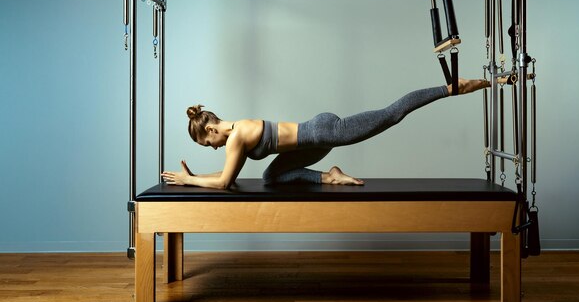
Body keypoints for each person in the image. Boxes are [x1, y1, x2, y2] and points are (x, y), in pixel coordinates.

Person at [161, 78, 490, 189]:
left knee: (392, 114)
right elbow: (228, 175)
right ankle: (329, 176)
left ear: (211, 128)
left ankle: (450, 88)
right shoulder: (235, 133)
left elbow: (223, 183)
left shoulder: (236, 138)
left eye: (209, 143)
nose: (214, 147)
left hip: (325, 131)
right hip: (313, 141)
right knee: (272, 178)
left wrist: (190, 179)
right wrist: (195, 176)